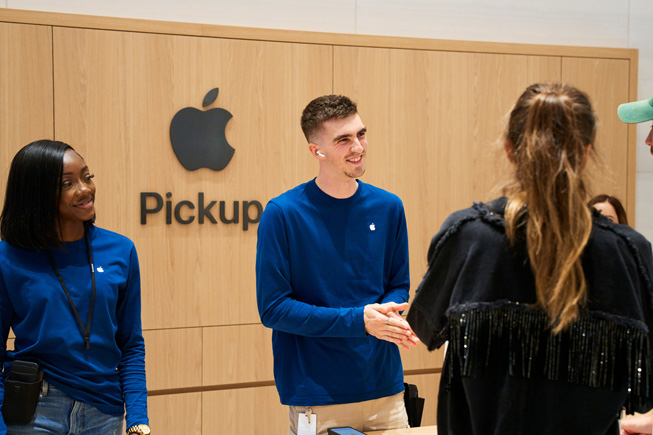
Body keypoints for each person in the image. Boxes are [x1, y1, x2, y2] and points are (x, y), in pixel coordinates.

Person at [406, 83, 653, 434]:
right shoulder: (629, 252)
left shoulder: (468, 238)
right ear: (586, 152)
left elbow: (423, 327)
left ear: (509, 149)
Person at [256, 95, 419, 435]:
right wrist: (359, 320)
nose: (358, 146)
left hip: (386, 390)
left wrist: (388, 313)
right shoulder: (283, 214)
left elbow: (397, 283)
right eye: (343, 140)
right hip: (315, 396)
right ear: (317, 150)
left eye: (360, 134)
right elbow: (273, 309)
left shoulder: (389, 207)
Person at [0, 140, 150, 435]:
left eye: (87, 176)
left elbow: (130, 344)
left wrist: (137, 416)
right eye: (68, 183)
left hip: (104, 411)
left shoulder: (120, 250)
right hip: (35, 411)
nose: (85, 189)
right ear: (36, 194)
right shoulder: (9, 257)